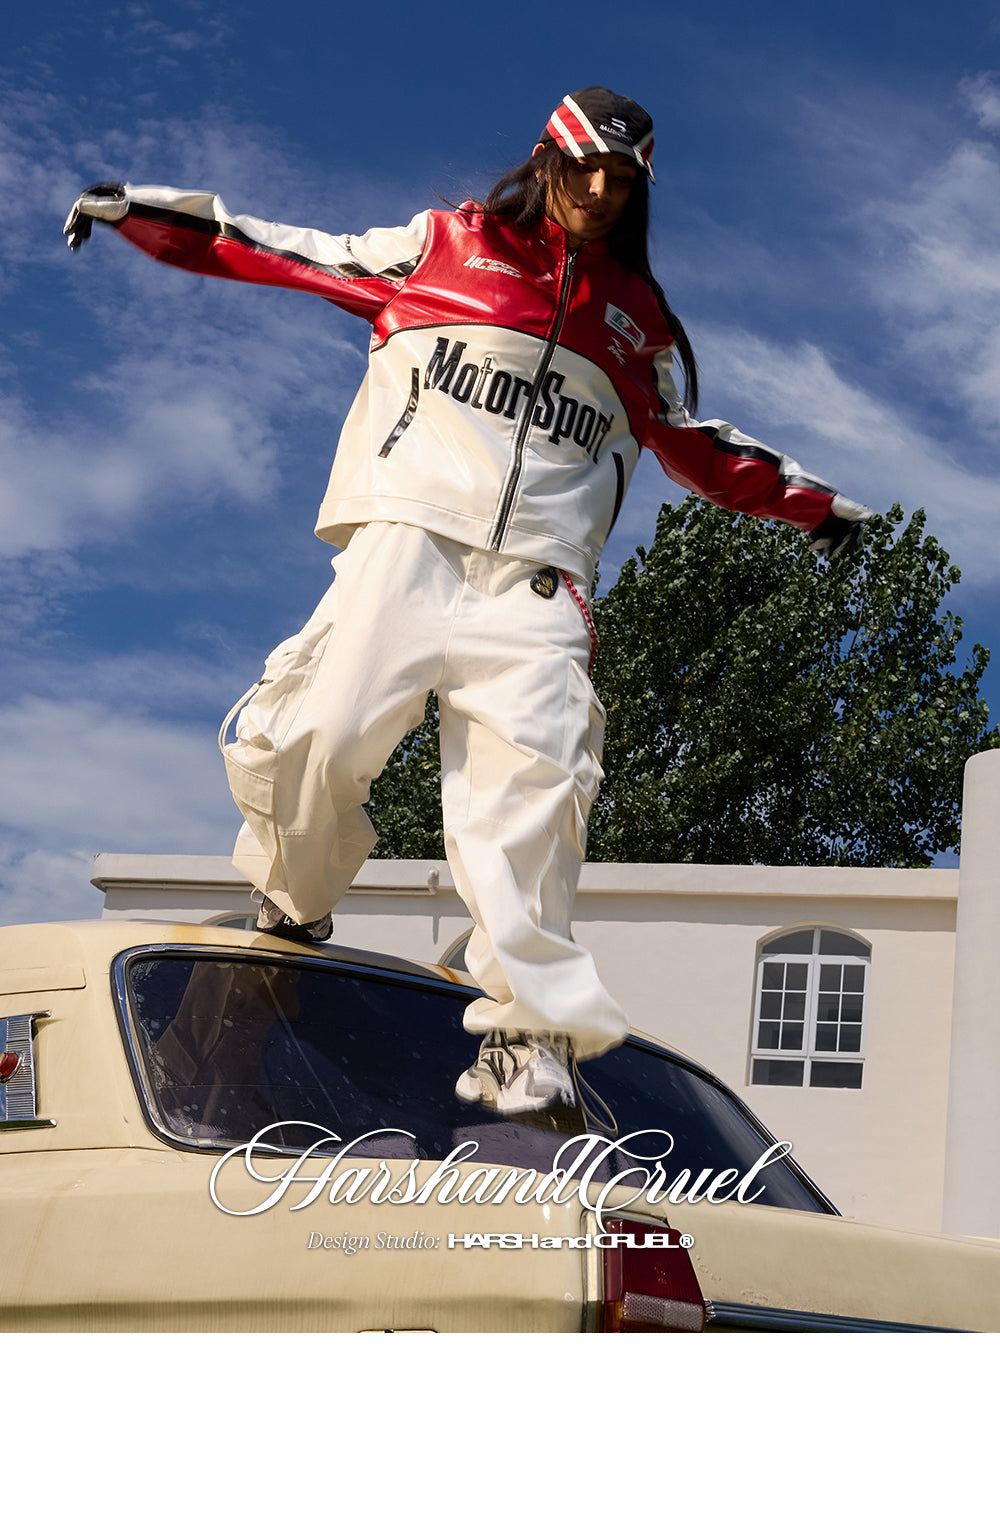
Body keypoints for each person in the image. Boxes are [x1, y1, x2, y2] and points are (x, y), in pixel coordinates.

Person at [64, 87, 869, 1116]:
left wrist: (815, 509)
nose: (596, 190)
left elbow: (696, 443)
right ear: (545, 159)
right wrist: (143, 214)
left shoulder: (638, 325)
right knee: (315, 732)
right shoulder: (443, 244)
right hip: (408, 541)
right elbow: (287, 249)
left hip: (535, 583)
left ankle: (524, 1041)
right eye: (580, 167)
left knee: (532, 790)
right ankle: (290, 907)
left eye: (619, 180)